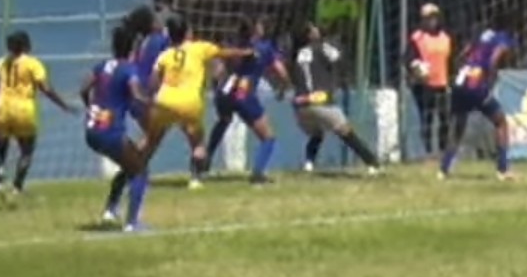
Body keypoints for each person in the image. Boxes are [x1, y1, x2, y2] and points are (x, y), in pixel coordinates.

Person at [144, 16, 247, 187]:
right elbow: (224, 52)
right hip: (189, 102)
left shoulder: (165, 55)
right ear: (188, 32)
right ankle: (195, 178)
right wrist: (245, 52)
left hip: (165, 101)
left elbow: (153, 82)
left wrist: (151, 98)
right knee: (197, 142)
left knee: (150, 140)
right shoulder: (199, 48)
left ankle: (135, 173)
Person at [82, 26, 153, 232]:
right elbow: (136, 94)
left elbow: (84, 88)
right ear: (132, 47)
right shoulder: (129, 69)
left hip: (92, 130)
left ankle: (110, 210)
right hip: (110, 132)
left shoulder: (102, 66)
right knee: (140, 170)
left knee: (129, 164)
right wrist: (151, 102)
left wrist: (90, 107)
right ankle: (132, 223)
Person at [0, 30, 74, 196]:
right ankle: (17, 187)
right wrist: (63, 105)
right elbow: (45, 87)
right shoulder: (32, 63)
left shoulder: (0, 62)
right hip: (23, 108)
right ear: (26, 45)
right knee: (26, 150)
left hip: (1, 107)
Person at [205, 18, 289, 184]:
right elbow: (282, 72)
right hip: (244, 91)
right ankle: (258, 173)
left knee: (223, 121)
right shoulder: (266, 48)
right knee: (268, 137)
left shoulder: (238, 46)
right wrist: (283, 88)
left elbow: (220, 65)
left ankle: (205, 160)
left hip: (226, 89)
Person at [293, 24, 383, 175]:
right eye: (314, 29)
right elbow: (338, 58)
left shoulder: (297, 53)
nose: (318, 30)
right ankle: (372, 163)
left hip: (301, 105)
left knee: (317, 133)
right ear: (310, 35)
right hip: (320, 100)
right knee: (346, 132)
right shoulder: (322, 47)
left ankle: (309, 163)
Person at [438, 19, 517, 181]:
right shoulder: (503, 38)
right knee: (501, 122)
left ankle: (443, 170)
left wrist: (459, 73)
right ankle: (503, 169)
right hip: (476, 84)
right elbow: (495, 58)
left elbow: (462, 54)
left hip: (460, 83)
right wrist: (490, 78)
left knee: (457, 127)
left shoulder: (480, 36)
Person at [406, 3, 454, 158]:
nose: (431, 21)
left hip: (442, 82)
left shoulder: (445, 37)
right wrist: (416, 66)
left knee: (445, 117)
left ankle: (442, 150)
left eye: (434, 18)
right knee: (427, 117)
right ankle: (427, 151)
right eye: (428, 18)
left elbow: (451, 60)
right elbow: (408, 57)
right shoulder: (417, 37)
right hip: (424, 84)